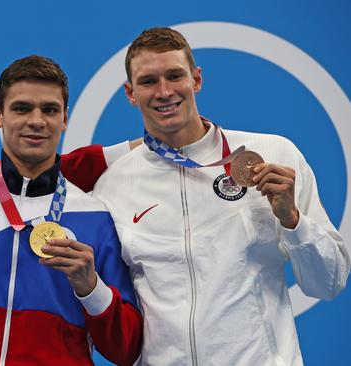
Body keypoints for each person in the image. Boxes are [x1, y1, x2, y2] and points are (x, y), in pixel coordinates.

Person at [87, 27, 350, 365]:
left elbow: (329, 282)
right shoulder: (113, 186)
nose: (164, 91)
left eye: (175, 76)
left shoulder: (274, 154)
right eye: (149, 81)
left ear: (196, 80)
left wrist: (293, 221)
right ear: (130, 93)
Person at [0, 55, 143, 365]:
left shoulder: (96, 216)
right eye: (22, 108)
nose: (36, 120)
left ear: (65, 118)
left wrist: (92, 288)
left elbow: (126, 351)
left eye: (49, 110)